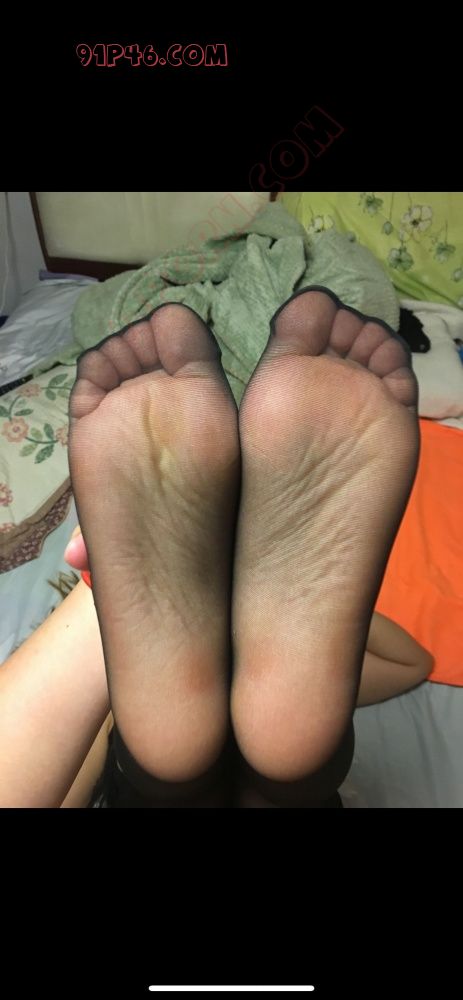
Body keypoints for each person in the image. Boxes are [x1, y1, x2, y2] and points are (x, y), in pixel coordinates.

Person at [0, 288, 433, 808]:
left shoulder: (125, 691)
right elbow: (412, 664)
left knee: (145, 761)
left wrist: (110, 595)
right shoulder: (300, 691)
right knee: (284, 754)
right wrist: (276, 594)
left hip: (138, 742)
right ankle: (263, 765)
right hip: (269, 725)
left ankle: (117, 668)